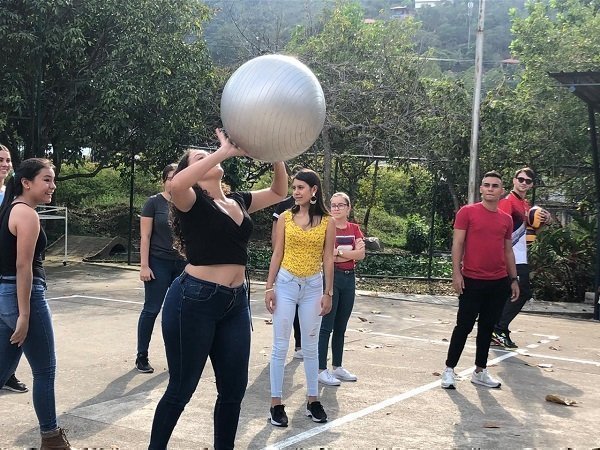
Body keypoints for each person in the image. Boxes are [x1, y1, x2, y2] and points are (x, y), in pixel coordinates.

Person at [148, 128, 287, 450]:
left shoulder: (237, 200)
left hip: (235, 304)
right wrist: (224, 150)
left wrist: (276, 153)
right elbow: (176, 184)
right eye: (201, 156)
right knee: (181, 389)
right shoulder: (190, 200)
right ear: (193, 171)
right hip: (193, 300)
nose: (212, 155)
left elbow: (279, 191)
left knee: (233, 391)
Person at [0, 158, 73, 448]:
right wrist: (25, 314)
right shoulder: (27, 214)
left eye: (53, 180)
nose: (53, 186)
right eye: (47, 179)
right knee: (44, 370)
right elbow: (23, 267)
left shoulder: (8, 209)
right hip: (23, 296)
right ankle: (52, 439)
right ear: (26, 183)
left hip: (5, 296)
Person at [265, 168, 335, 427]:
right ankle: (276, 403)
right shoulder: (285, 217)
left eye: (300, 187)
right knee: (280, 345)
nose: (295, 192)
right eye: (294, 187)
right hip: (285, 284)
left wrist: (328, 292)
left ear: (314, 190)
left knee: (310, 346)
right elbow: (277, 253)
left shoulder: (327, 221)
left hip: (313, 287)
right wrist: (269, 287)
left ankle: (313, 400)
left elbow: (328, 258)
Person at [440, 171, 519, 390]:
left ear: (501, 190)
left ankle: (480, 371)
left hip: (498, 282)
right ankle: (449, 370)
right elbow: (457, 244)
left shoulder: (506, 219)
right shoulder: (467, 212)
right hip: (472, 281)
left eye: (495, 185)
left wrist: (513, 279)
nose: (490, 189)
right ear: (481, 189)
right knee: (463, 326)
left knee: (486, 328)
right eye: (487, 185)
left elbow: (508, 251)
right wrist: (456, 273)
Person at [491, 167, 551, 349]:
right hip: (511, 258)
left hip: (520, 256)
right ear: (514, 180)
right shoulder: (507, 202)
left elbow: (529, 234)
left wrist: (545, 223)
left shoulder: (526, 206)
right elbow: (498, 230)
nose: (524, 183)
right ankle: (498, 329)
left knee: (510, 294)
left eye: (528, 181)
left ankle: (495, 329)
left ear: (532, 185)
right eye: (521, 179)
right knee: (521, 292)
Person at [135, 164, 186, 373]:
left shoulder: (187, 202)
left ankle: (178, 357)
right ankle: (142, 356)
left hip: (183, 264)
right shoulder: (154, 203)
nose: (174, 181)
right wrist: (144, 266)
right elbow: (145, 236)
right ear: (164, 180)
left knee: (179, 312)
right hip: (158, 263)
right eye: (170, 177)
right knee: (152, 309)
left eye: (178, 176)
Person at [318, 192, 365, 386]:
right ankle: (321, 369)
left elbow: (361, 254)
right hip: (332, 277)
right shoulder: (326, 227)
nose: (336, 208)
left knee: (341, 325)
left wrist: (339, 252)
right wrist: (348, 252)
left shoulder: (354, 228)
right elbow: (327, 255)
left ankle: (337, 367)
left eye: (340, 205)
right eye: (333, 205)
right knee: (326, 326)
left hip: (349, 278)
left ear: (348, 208)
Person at [0, 145, 29, 394]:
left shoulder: (10, 193)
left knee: (12, 327)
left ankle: (8, 374)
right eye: (0, 160)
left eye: (8, 160)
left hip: (6, 268)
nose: (5, 164)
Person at [271, 195, 303, 359]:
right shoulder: (284, 205)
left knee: (304, 308)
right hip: (286, 266)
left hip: (308, 270)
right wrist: (278, 256)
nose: (298, 191)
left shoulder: (317, 207)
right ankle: (283, 349)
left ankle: (302, 345)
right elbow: (275, 235)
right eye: (296, 186)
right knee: (286, 309)